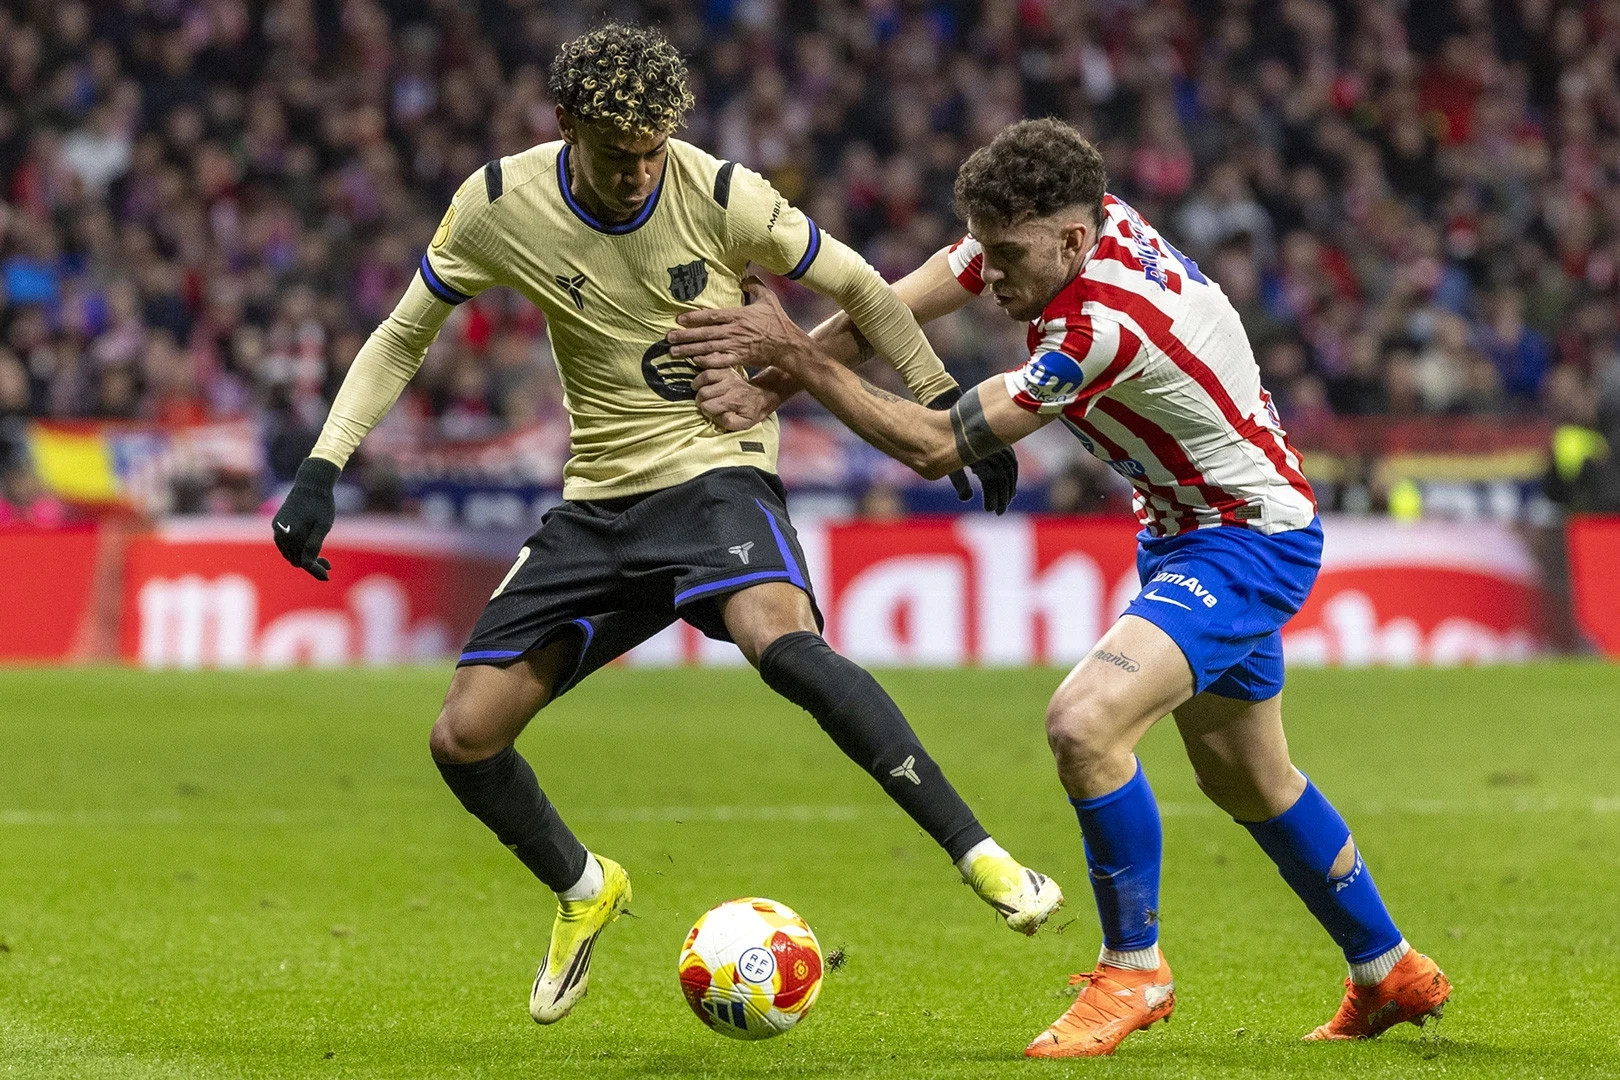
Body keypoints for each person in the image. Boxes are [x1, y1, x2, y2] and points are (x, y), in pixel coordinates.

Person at [269, 24, 1057, 1028]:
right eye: (616, 153)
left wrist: (947, 402)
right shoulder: (498, 205)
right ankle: (584, 886)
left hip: (714, 473)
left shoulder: (723, 194)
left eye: (653, 150)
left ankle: (979, 853)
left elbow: (859, 285)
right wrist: (323, 465)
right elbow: (402, 334)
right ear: (565, 127)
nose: (640, 171)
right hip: (597, 501)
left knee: (786, 647)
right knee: (463, 740)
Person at [668, 118, 1450, 1058]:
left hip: (1244, 540)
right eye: (985, 250)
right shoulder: (1067, 230)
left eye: (1008, 257)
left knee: (1085, 723)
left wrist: (792, 358)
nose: (991, 275)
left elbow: (934, 446)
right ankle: (1388, 967)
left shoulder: (1098, 327)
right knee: (1248, 775)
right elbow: (891, 304)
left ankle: (1134, 971)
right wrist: (775, 378)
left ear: (1073, 240)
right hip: (1187, 531)